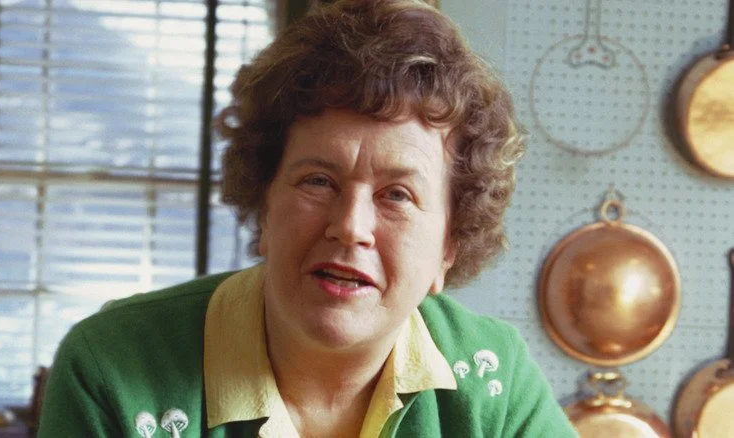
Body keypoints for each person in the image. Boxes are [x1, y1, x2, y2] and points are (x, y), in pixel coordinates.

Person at [38, 0, 578, 436]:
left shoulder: (494, 380)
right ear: (264, 203)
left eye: (397, 196)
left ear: (449, 246)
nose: (350, 226)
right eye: (318, 181)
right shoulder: (111, 368)